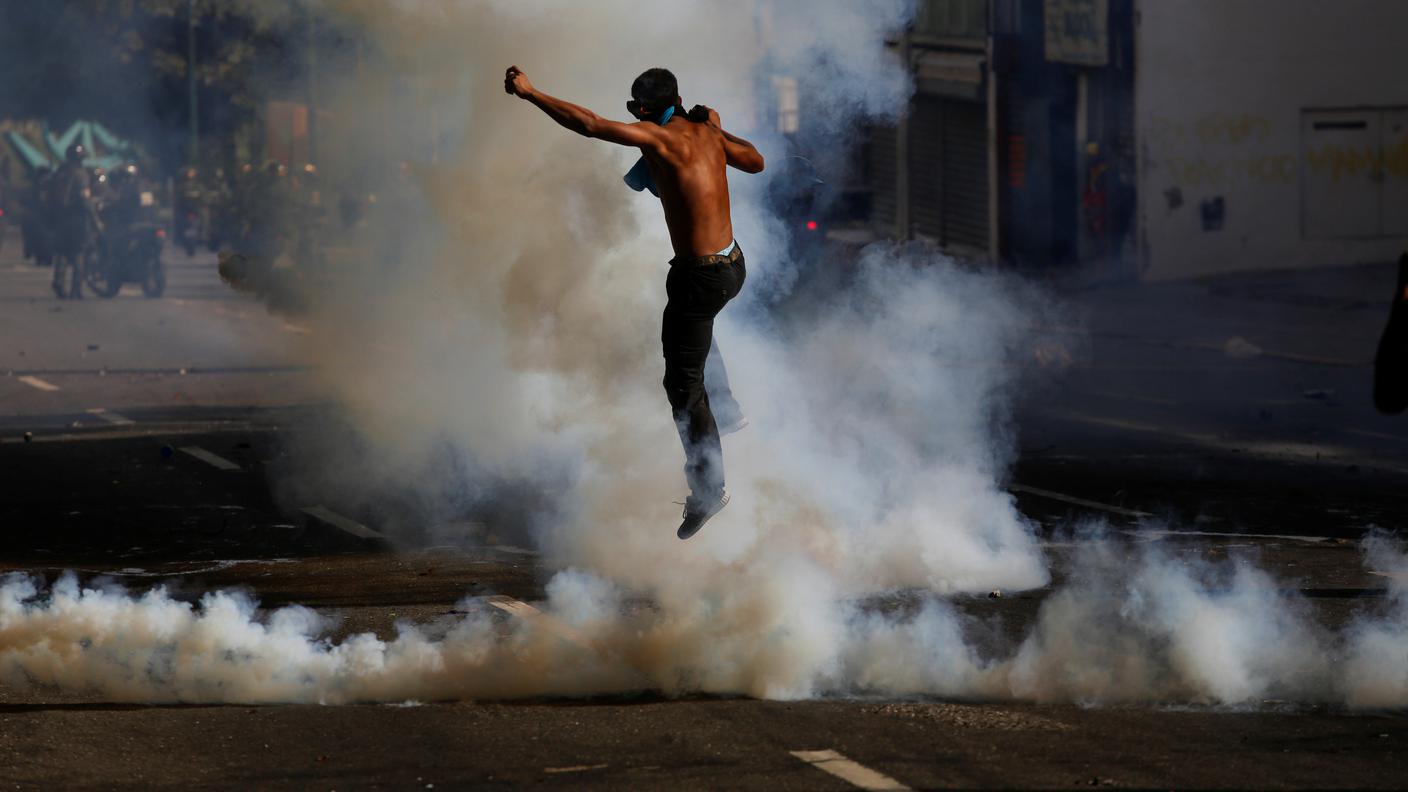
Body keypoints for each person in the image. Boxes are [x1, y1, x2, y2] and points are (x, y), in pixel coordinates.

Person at [504, 65, 765, 539]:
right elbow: (755, 161)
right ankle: (725, 407)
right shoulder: (707, 131)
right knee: (695, 332)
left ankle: (710, 488)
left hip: (699, 276)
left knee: (681, 386)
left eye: (636, 110)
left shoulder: (658, 139)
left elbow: (588, 123)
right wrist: (719, 129)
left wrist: (531, 93)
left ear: (644, 110)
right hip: (733, 266)